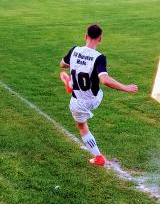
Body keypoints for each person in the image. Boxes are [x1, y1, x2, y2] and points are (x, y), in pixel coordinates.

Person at [59, 24, 138, 166]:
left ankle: (98, 157)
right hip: (95, 98)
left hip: (78, 103)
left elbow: (62, 64)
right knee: (91, 82)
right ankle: (71, 84)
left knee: (82, 127)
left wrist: (76, 62)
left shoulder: (74, 50)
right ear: (100, 39)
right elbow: (105, 80)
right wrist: (125, 87)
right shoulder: (99, 58)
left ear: (85, 36)